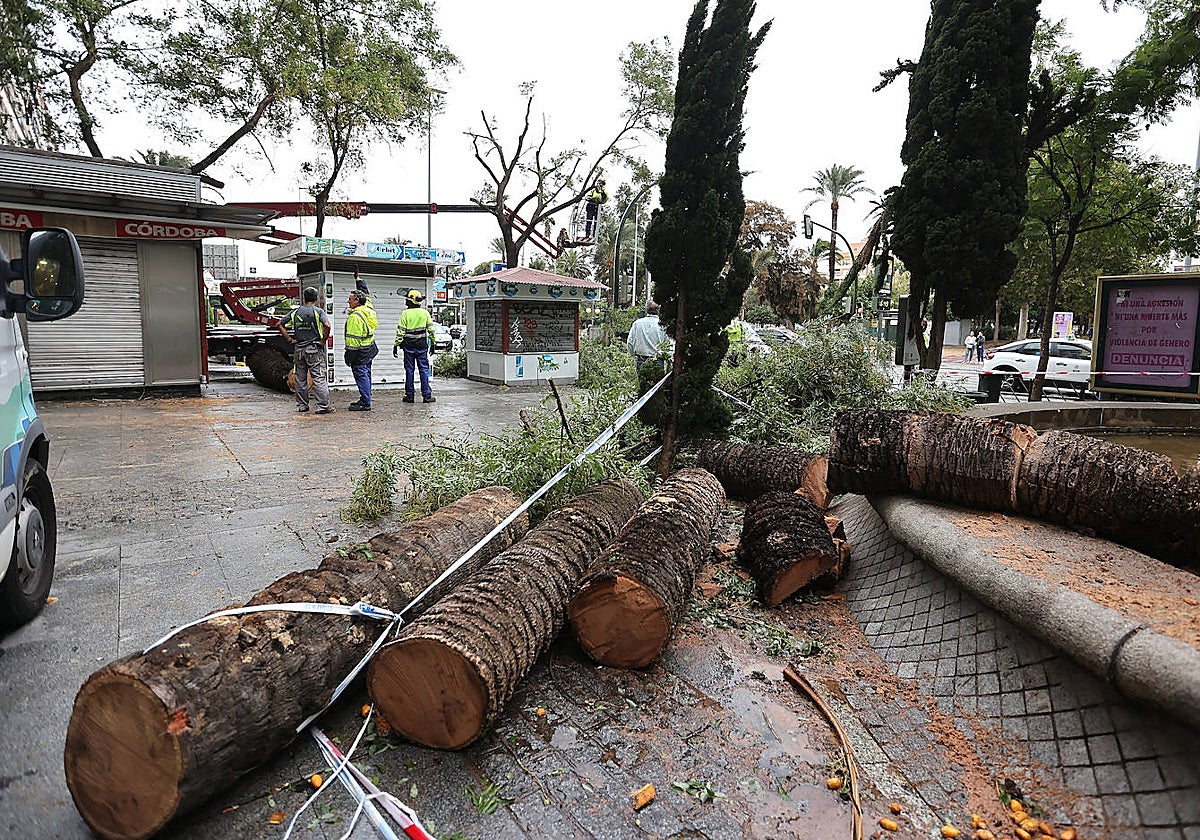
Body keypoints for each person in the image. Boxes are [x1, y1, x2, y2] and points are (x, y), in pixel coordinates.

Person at [277, 286, 333, 414]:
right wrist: (323, 340)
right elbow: (327, 325)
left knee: (300, 378)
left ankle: (302, 405)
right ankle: (322, 407)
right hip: (314, 349)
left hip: (299, 349)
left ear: (304, 298)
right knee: (318, 378)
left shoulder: (295, 312)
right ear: (316, 299)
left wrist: (289, 339)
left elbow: (279, 324)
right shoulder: (318, 312)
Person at [393, 289, 436, 403]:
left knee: (409, 370)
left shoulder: (405, 314)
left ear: (411, 301)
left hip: (408, 346)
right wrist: (433, 344)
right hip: (422, 346)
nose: (405, 301)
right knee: (424, 370)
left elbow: (401, 332)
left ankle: (410, 396)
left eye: (407, 299)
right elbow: (431, 330)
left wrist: (396, 344)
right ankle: (427, 396)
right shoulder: (425, 313)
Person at [344, 289, 378, 411]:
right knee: (366, 373)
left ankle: (365, 402)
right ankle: (366, 397)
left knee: (361, 374)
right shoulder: (369, 309)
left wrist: (349, 357)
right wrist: (358, 279)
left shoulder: (355, 317)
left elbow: (353, 342)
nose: (348, 302)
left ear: (357, 301)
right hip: (369, 348)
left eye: (350, 299)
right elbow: (366, 294)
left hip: (360, 352)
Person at [626, 301, 669, 370]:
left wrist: (633, 354)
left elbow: (630, 342)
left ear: (646, 310)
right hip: (658, 360)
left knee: (642, 380)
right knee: (658, 380)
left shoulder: (637, 324)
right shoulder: (663, 325)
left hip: (642, 359)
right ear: (658, 310)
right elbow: (668, 344)